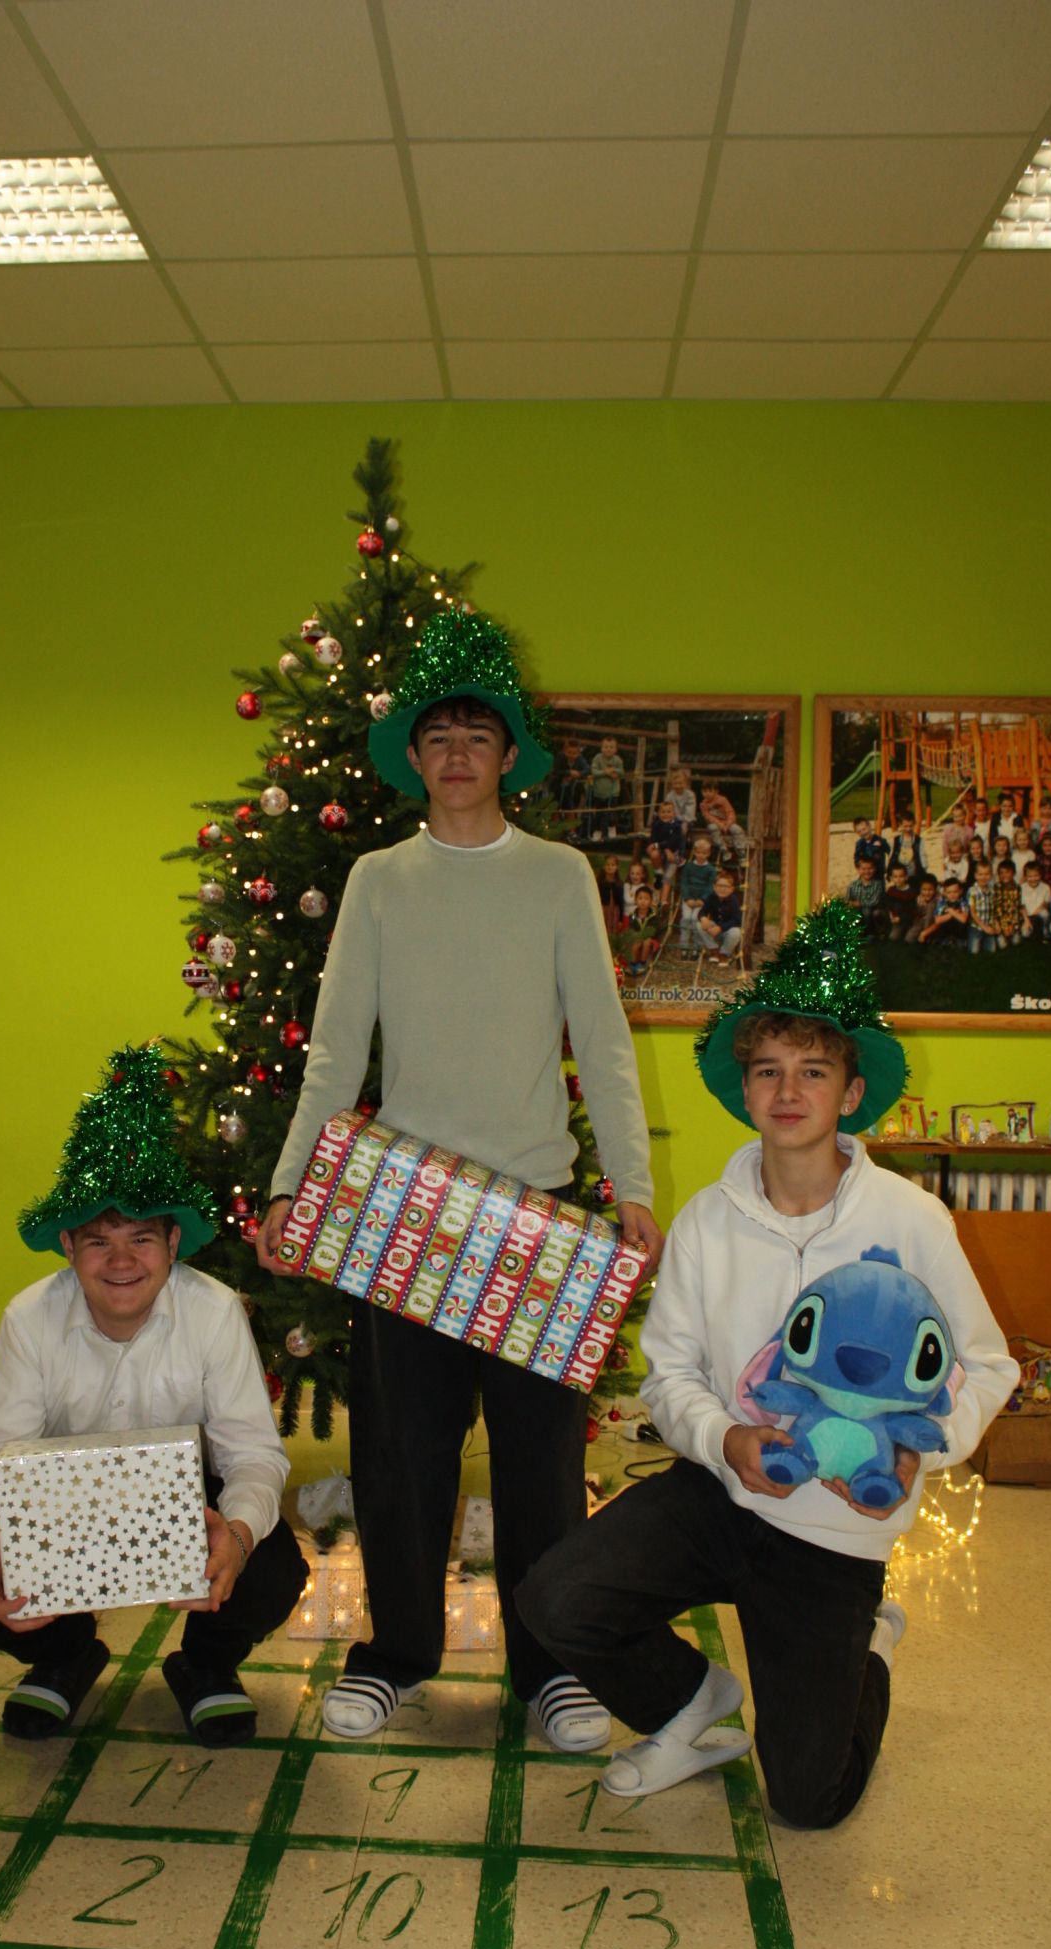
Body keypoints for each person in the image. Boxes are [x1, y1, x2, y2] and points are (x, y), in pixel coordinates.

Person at [516, 901, 1017, 1827]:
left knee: (808, 1800)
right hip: (723, 1490)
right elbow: (669, 1374)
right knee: (555, 1597)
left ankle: (868, 1647)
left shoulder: (911, 1221)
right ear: (745, 1090)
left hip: (836, 1529)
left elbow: (990, 1364)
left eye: (813, 1071)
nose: (788, 1091)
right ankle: (689, 1701)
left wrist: (925, 1448)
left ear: (851, 1093)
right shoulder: (708, 1221)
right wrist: (724, 1439)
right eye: (768, 1070)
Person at [256, 608, 662, 1752]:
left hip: (534, 1217)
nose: (455, 752)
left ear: (507, 756)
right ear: (414, 755)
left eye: (476, 734)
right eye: (436, 734)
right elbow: (336, 1049)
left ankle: (551, 1670)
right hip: (402, 1216)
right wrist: (291, 1188)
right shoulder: (377, 880)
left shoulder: (557, 877)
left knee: (540, 1469)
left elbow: (603, 1039)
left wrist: (628, 1184)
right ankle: (393, 1656)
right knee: (398, 1461)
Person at [0, 1042, 307, 1746]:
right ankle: (65, 1653)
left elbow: (255, 1454)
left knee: (273, 1568)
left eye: (142, 1238)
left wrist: (237, 1537)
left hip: (191, 1495)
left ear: (174, 1242)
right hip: (62, 1497)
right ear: (68, 1247)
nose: (123, 1261)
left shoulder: (214, 1311)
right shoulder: (29, 1318)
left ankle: (206, 1663)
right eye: (100, 1242)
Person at [676, 831, 720, 957]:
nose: (701, 855)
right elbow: (684, 883)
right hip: (688, 900)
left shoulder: (710, 869)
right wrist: (687, 898)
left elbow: (710, 886)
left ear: (708, 854)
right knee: (686, 919)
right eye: (699, 853)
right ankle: (684, 947)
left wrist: (703, 899)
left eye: (704, 853)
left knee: (696, 921)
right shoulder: (689, 867)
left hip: (701, 902)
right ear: (694, 852)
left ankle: (697, 947)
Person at [696, 868, 743, 966]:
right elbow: (702, 911)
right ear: (714, 887)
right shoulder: (711, 897)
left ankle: (724, 954)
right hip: (714, 929)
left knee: (736, 932)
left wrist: (720, 928)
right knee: (699, 924)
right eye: (720, 885)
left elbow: (737, 920)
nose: (723, 889)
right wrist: (703, 918)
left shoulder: (733, 900)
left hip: (727, 931)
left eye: (726, 886)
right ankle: (714, 949)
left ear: (732, 889)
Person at [588, 735, 626, 840]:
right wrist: (605, 772)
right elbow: (594, 771)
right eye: (606, 747)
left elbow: (622, 772)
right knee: (598, 814)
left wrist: (614, 770)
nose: (608, 749)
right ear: (601, 748)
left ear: (615, 749)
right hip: (599, 792)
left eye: (611, 747)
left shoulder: (617, 760)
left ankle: (612, 829)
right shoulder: (597, 758)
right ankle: (597, 831)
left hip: (613, 792)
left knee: (612, 813)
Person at [845, 854, 886, 940]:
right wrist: (850, 903)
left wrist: (860, 903)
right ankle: (856, 932)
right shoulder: (853, 885)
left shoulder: (877, 884)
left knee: (867, 911)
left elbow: (875, 901)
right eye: (863, 869)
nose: (867, 871)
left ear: (874, 869)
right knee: (852, 912)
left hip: (872, 910)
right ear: (858, 869)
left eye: (870, 868)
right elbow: (848, 899)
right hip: (857, 909)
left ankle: (870, 933)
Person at [966, 857, 997, 955]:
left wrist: (995, 923)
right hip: (976, 926)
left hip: (989, 923)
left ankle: (984, 940)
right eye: (980, 874)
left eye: (987, 874)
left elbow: (994, 908)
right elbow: (972, 913)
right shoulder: (972, 891)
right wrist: (984, 927)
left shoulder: (992, 889)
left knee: (992, 950)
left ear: (991, 875)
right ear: (975, 875)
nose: (983, 877)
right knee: (974, 952)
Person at [1019, 858, 1050, 940]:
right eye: (1030, 876)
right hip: (1027, 916)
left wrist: (1035, 913)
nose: (1033, 879)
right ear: (1025, 877)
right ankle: (1032, 931)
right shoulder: (1022, 888)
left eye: (1036, 875)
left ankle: (1045, 932)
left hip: (1039, 915)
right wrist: (1027, 920)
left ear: (1040, 875)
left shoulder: (1046, 887)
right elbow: (1021, 906)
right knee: (1025, 934)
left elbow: (1045, 904)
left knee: (1045, 914)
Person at [904, 873, 940, 943]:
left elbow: (939, 919)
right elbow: (917, 915)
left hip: (934, 923)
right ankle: (921, 935)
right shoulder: (919, 898)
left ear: (935, 889)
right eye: (924, 889)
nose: (927, 893)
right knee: (909, 938)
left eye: (930, 890)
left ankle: (928, 936)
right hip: (921, 921)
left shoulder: (938, 899)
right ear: (920, 889)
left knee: (930, 906)